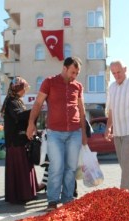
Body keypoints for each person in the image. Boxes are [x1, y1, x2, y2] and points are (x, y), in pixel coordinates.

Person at [26, 57, 87, 212]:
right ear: (64, 68)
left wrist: (84, 134)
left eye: (77, 73)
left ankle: (67, 200)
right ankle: (52, 201)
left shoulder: (78, 86)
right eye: (73, 72)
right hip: (55, 133)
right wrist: (31, 123)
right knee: (56, 166)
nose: (74, 76)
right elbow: (38, 103)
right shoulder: (49, 82)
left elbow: (81, 110)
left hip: (75, 133)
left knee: (71, 168)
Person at [104, 60, 129, 194]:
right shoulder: (112, 87)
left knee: (127, 167)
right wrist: (109, 128)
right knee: (126, 166)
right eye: (113, 73)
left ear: (125, 69)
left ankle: (124, 198)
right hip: (118, 133)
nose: (116, 75)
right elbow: (111, 110)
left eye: (118, 72)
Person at [1, 77, 38, 204]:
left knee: (23, 167)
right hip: (15, 141)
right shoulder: (12, 101)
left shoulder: (16, 100)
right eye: (24, 88)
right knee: (20, 167)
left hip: (20, 140)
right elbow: (18, 116)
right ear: (19, 89)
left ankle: (26, 193)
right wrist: (33, 110)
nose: (25, 91)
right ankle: (21, 195)